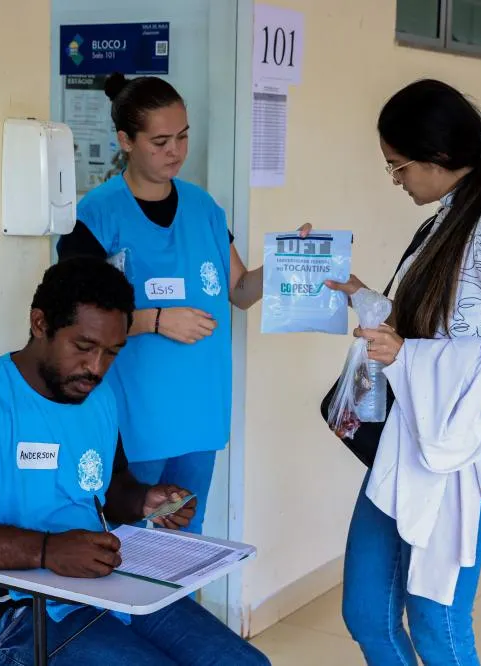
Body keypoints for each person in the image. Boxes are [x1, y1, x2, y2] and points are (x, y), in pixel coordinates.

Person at [0, 257, 270, 666]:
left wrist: (145, 499)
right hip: (14, 613)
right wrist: (46, 551)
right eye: (84, 347)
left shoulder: (98, 398)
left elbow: (110, 487)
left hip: (105, 584)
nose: (96, 368)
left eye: (112, 352)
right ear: (40, 324)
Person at [328, 80, 481, 665]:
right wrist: (354, 292)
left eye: (398, 166)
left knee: (436, 623)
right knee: (367, 614)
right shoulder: (446, 217)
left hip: (463, 456)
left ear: (440, 157)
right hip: (409, 447)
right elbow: (428, 331)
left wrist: (407, 357)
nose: (397, 179)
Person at [57, 73, 308, 533]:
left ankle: (176, 607)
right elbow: (75, 315)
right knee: (126, 547)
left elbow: (239, 292)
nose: (176, 150)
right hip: (136, 417)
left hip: (200, 411)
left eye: (183, 136)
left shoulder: (204, 208)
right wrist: (155, 320)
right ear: (125, 141)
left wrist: (284, 263)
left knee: (183, 544)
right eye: (160, 141)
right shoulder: (97, 214)